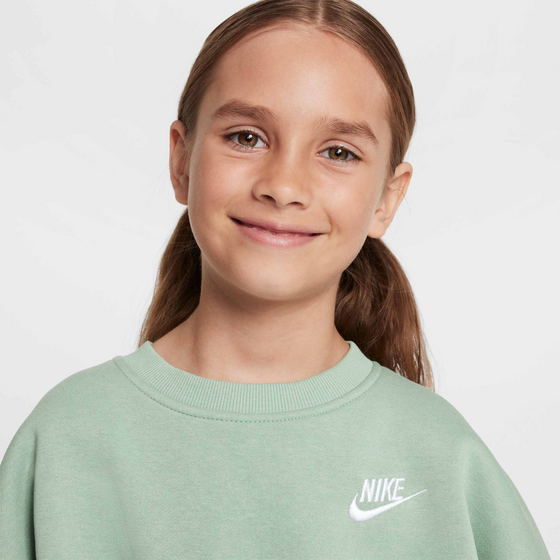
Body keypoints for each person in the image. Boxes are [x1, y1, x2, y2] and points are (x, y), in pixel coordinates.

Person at [0, 0, 551, 558]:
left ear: (388, 198)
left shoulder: (441, 455)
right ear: (182, 161)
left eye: (338, 152)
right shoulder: (66, 439)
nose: (284, 186)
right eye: (247, 137)